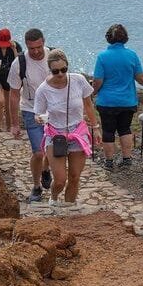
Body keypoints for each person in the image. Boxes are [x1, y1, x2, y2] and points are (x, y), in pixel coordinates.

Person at [33, 49, 98, 207]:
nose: (61, 74)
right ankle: (54, 199)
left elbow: (88, 105)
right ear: (50, 70)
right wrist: (39, 119)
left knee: (75, 176)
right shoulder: (43, 89)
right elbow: (38, 113)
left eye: (64, 69)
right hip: (55, 135)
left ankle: (69, 208)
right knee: (60, 180)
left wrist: (95, 127)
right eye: (56, 71)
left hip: (77, 132)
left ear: (67, 66)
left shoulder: (78, 80)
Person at [93, 23, 143, 171]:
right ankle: (126, 159)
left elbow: (98, 80)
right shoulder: (132, 55)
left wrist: (93, 92)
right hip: (127, 101)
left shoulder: (102, 57)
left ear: (108, 38)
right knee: (125, 129)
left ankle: (109, 162)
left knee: (108, 131)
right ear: (125, 38)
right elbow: (140, 79)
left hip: (107, 101)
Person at [8, 28, 54, 202]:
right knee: (38, 152)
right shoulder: (19, 63)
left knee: (52, 149)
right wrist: (14, 123)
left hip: (54, 110)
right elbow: (13, 94)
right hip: (31, 109)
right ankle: (36, 187)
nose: (35, 51)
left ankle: (46, 169)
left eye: (39, 47)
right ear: (26, 45)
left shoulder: (54, 56)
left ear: (44, 42)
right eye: (31, 48)